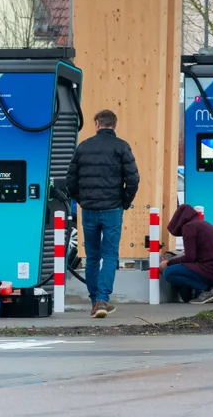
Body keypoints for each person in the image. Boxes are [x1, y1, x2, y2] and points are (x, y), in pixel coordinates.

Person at [62, 107, 138, 317]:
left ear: (97, 125)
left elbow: (70, 180)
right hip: (112, 209)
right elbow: (133, 179)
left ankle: (96, 301)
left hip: (89, 210)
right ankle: (103, 300)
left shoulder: (83, 147)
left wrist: (81, 199)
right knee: (110, 254)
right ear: (114, 125)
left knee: (93, 256)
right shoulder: (121, 147)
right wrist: (124, 201)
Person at [161, 203, 213, 304]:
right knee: (182, 268)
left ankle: (207, 290)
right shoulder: (202, 224)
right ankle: (211, 289)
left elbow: (190, 257)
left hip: (211, 269)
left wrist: (168, 263)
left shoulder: (189, 227)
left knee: (169, 272)